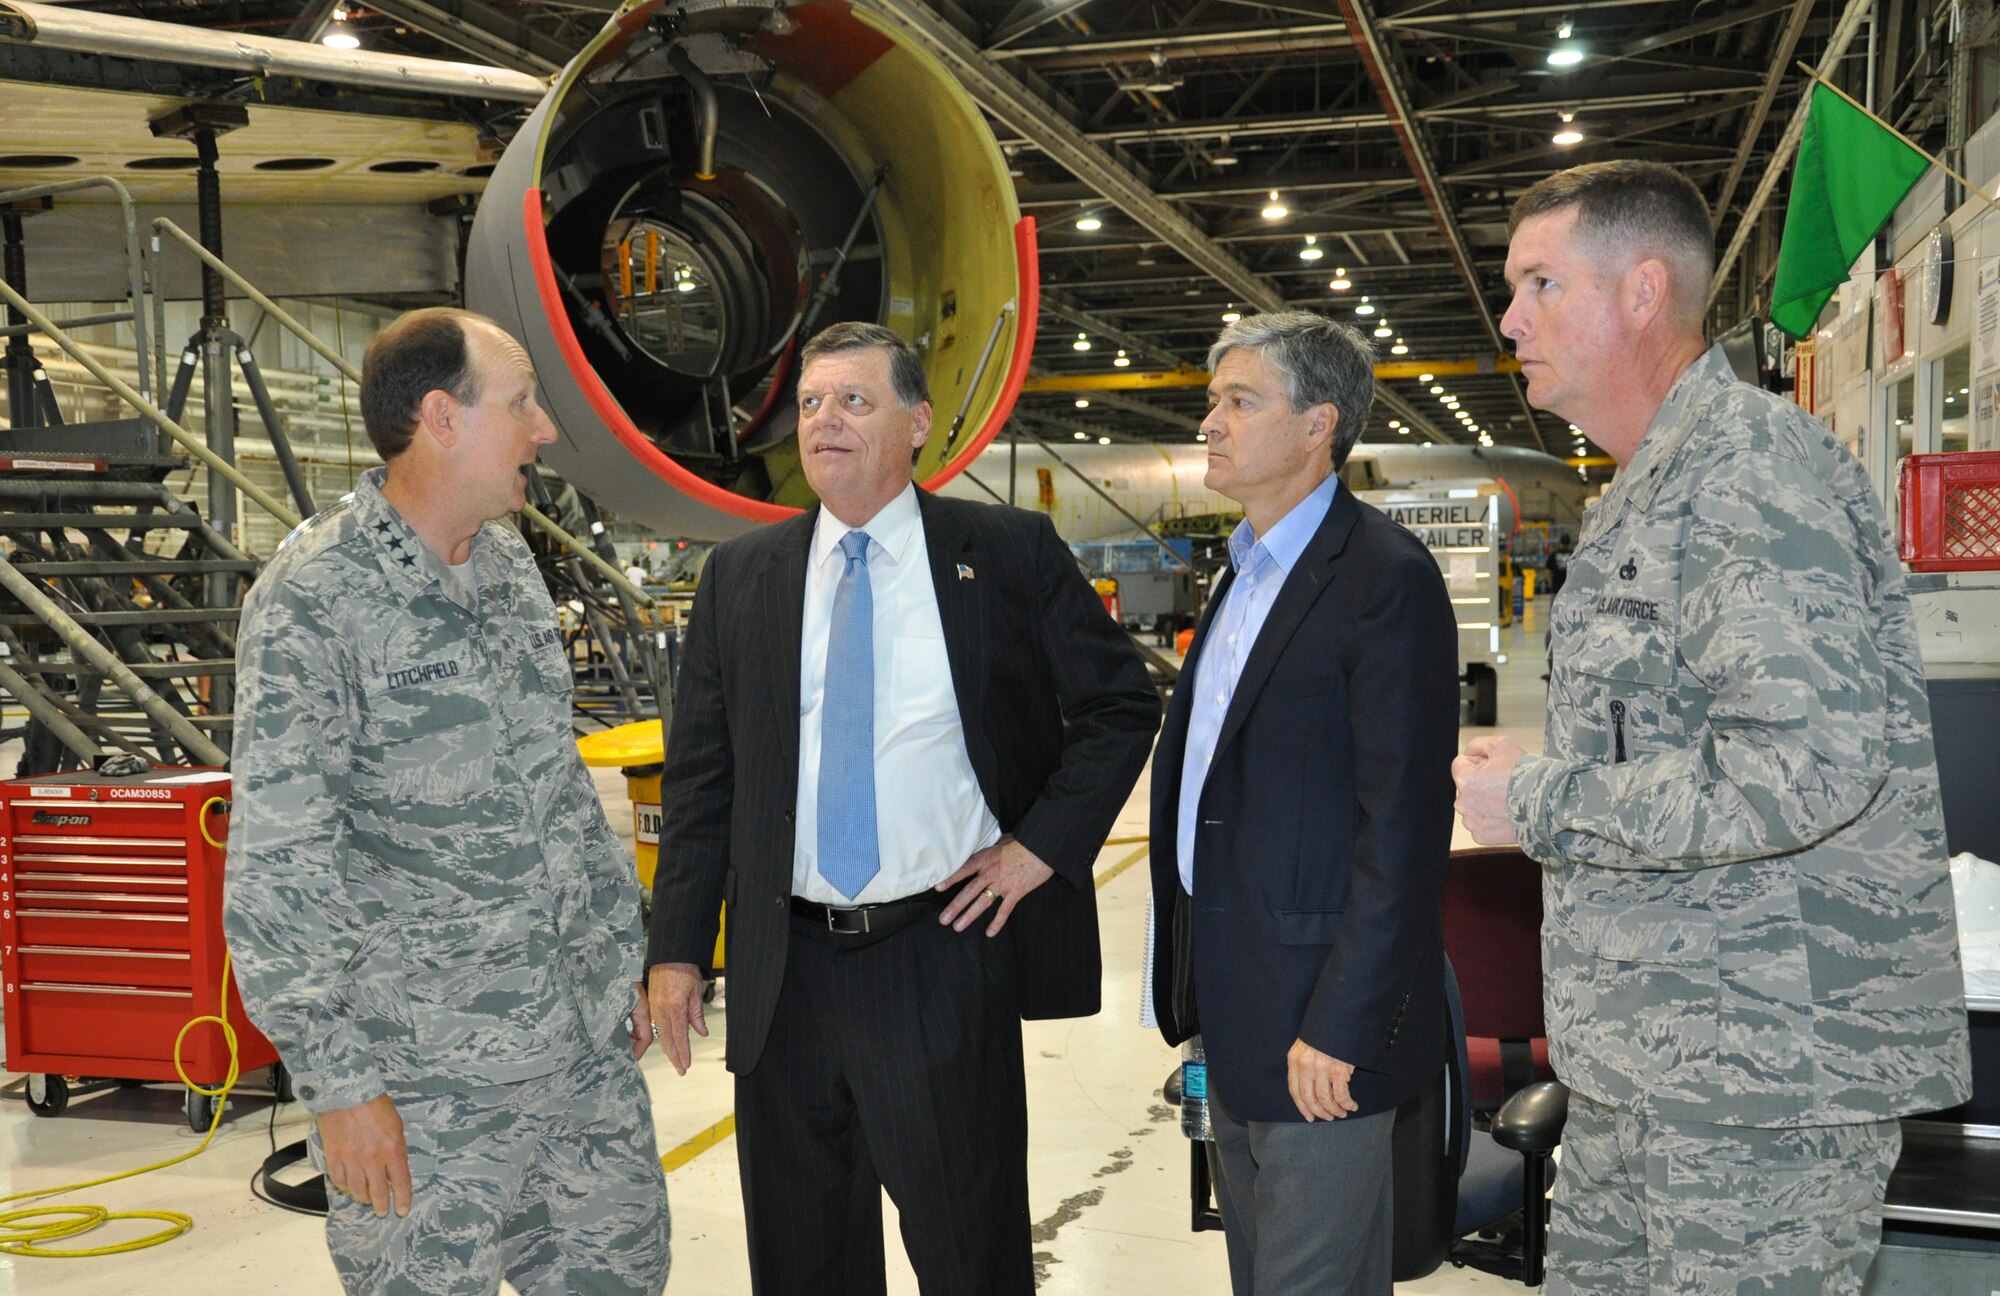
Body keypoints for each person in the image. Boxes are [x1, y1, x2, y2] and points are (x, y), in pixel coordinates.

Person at [1453, 160, 1971, 1295]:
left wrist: (1535, 799)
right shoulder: (1649, 484)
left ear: (1641, 293)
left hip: (1762, 1083)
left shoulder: (1747, 473)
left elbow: (1801, 770)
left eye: (1538, 284)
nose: (1508, 319)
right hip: (1648, 1062)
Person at [646, 321, 1159, 1295]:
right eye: (808, 403)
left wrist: (1034, 849)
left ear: (917, 421)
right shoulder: (740, 577)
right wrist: (675, 948)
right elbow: (701, 778)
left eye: (854, 400)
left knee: (969, 1256)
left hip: (935, 959)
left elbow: (1119, 704)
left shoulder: (1002, 552)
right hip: (782, 972)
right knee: (804, 1264)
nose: (824, 421)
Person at [224, 307, 671, 1295]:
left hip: (578, 1064)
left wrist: (613, 956)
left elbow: (555, 788)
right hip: (427, 1088)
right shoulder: (315, 595)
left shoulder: (509, 564)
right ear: (441, 418)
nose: (543, 428)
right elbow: (278, 863)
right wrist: (339, 1086)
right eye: (520, 404)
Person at [1148, 310, 1460, 1295]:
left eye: (1238, 401)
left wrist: (1342, 1024)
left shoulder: (1381, 580)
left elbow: (1403, 830)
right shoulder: (1241, 573)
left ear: (1317, 424)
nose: (1210, 422)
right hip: (1231, 1008)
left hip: (1317, 1028)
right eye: (1211, 402)